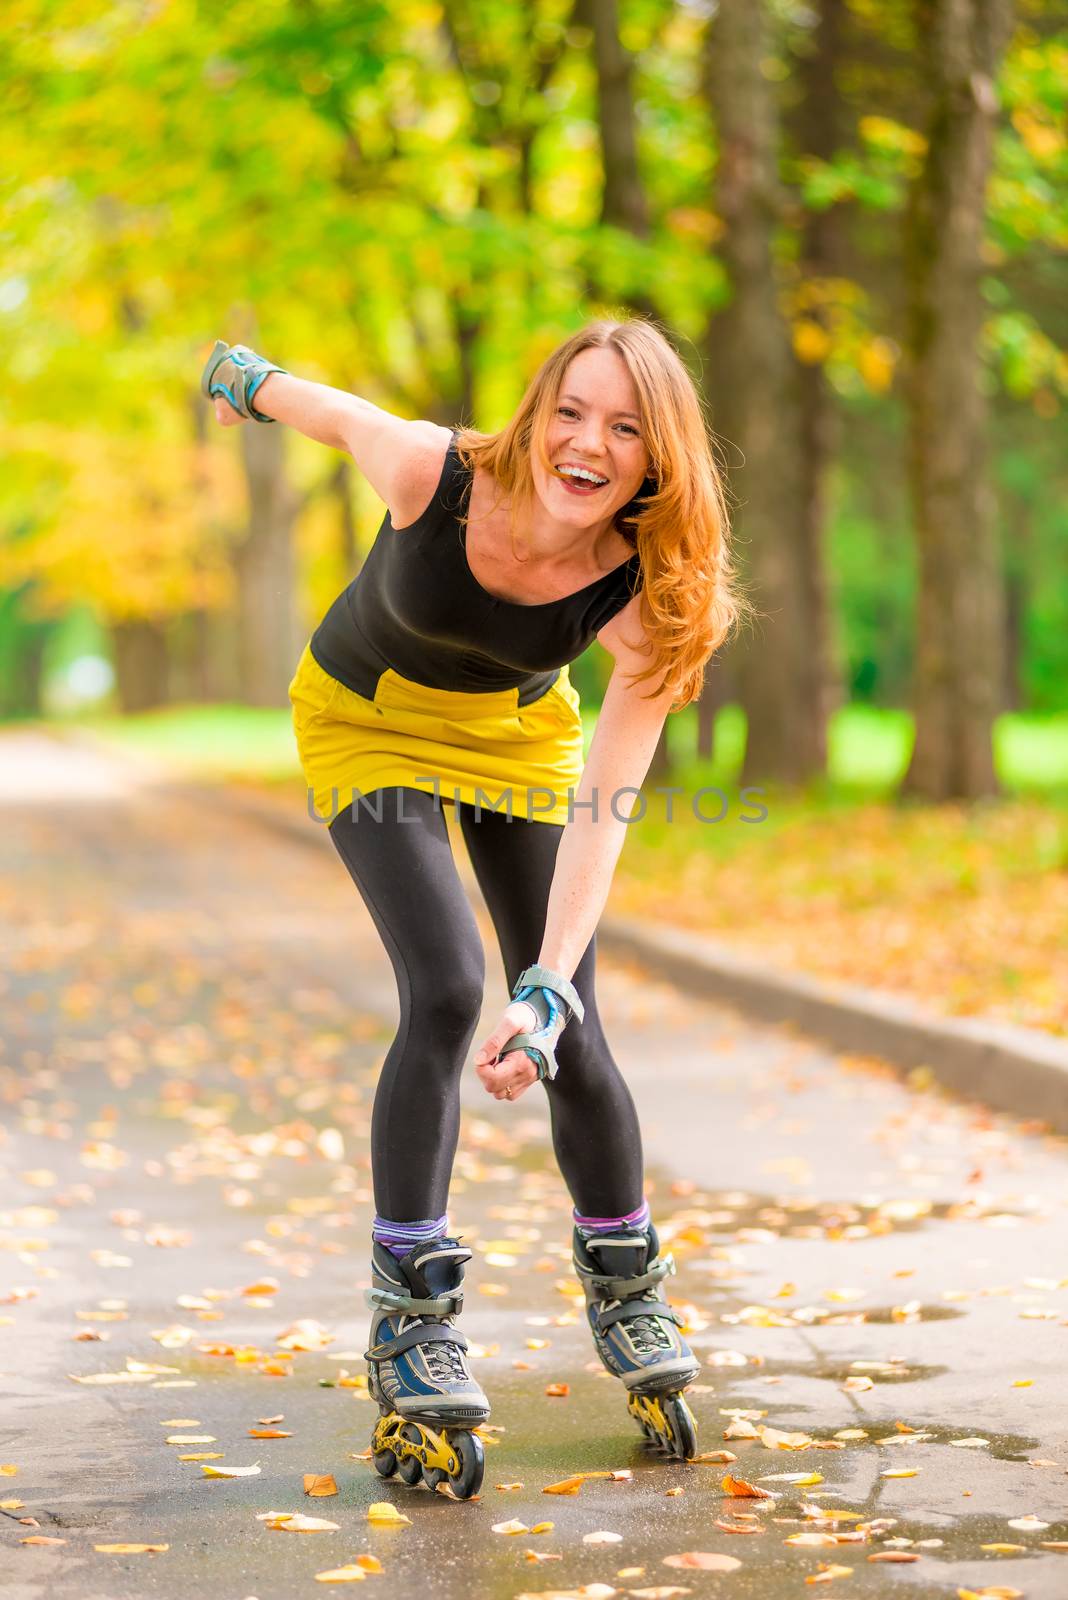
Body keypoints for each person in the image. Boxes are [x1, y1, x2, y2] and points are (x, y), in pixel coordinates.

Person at [202, 319, 739, 1498]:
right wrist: (248, 380)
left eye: (625, 427)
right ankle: (413, 1312)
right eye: (572, 409)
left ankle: (630, 1289)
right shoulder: (429, 472)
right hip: (365, 718)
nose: (588, 443)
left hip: (513, 742)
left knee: (576, 1023)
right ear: (537, 407)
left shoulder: (639, 592)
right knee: (444, 988)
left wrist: (546, 984)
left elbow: (609, 796)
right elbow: (337, 411)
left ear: (657, 460)